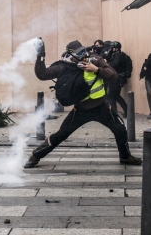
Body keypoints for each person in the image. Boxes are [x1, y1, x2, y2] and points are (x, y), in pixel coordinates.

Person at [24, 39, 142, 168]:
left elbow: (113, 75)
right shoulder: (65, 66)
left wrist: (96, 69)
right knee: (60, 135)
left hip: (102, 108)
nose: (81, 56)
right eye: (77, 54)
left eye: (83, 52)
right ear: (70, 55)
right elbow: (42, 74)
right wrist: (40, 54)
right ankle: (35, 156)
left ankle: (125, 157)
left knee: (120, 129)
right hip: (80, 110)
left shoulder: (94, 59)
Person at [106, 41, 129, 117]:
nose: (111, 49)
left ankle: (114, 112)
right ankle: (127, 110)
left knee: (112, 96)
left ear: (116, 48)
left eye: (112, 47)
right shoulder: (115, 55)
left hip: (117, 78)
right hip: (116, 78)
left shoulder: (118, 56)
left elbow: (114, 65)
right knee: (115, 96)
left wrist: (106, 64)